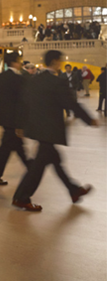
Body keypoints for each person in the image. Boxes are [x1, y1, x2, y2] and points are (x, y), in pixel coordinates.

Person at [11, 49, 100, 211]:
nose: (60, 64)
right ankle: (21, 197)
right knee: (38, 167)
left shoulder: (34, 80)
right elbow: (71, 104)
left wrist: (20, 124)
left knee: (56, 161)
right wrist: (89, 119)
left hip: (37, 128)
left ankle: (73, 190)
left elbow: (23, 102)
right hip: (49, 130)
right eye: (59, 61)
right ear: (55, 62)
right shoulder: (57, 81)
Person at [0, 51, 30, 186]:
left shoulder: (0, 77)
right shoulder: (20, 79)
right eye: (19, 61)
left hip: (4, 118)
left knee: (9, 146)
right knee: (11, 146)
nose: (20, 63)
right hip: (15, 119)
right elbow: (23, 102)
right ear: (15, 62)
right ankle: (32, 169)